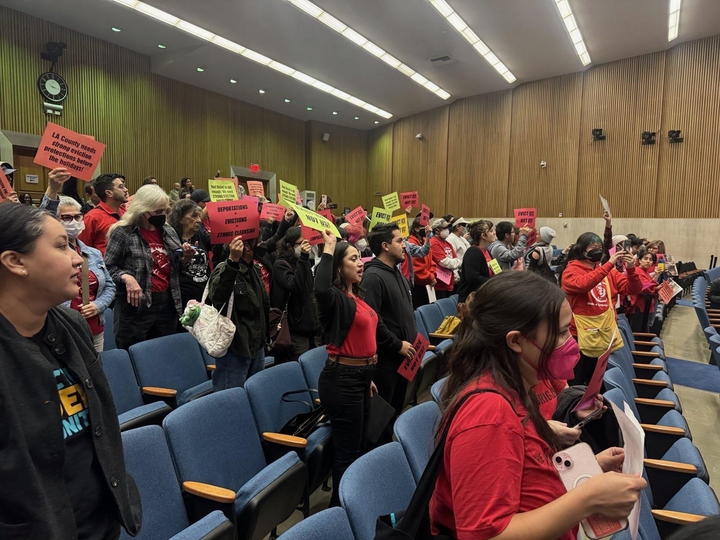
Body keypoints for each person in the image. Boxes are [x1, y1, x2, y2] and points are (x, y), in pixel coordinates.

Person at [430, 272, 646, 539]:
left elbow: (524, 476)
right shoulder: (489, 414)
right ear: (516, 341)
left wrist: (588, 470)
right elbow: (485, 534)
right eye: (562, 332)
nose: (571, 343)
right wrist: (588, 499)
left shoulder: (520, 389)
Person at [0, 202, 141, 538]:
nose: (78, 259)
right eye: (62, 246)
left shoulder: (72, 323)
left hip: (99, 519)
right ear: (15, 262)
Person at [314, 229, 378, 506]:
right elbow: (319, 287)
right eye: (353, 259)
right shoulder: (335, 299)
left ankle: (350, 503)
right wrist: (329, 248)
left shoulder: (357, 298)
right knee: (347, 452)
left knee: (359, 444)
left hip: (361, 378)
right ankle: (340, 512)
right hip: (342, 380)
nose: (361, 262)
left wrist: (368, 374)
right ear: (339, 266)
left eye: (360, 257)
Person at [105, 185, 194, 350]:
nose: (162, 215)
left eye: (164, 211)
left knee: (162, 352)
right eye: (157, 211)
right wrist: (126, 277)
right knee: (131, 351)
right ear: (143, 210)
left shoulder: (168, 231)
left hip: (167, 302)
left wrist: (185, 258)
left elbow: (176, 267)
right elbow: (108, 267)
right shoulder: (123, 232)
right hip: (136, 306)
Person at [560, 233, 642, 385]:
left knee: (595, 381)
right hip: (578, 335)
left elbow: (634, 289)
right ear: (582, 250)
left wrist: (631, 269)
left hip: (603, 333)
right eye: (593, 247)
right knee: (576, 381)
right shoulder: (571, 271)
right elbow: (583, 284)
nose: (597, 250)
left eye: (599, 248)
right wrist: (609, 264)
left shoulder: (608, 271)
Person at [362, 223, 417, 418]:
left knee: (396, 411)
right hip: (387, 359)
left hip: (404, 357)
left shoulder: (397, 272)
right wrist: (396, 345)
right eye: (400, 240)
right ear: (385, 246)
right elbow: (372, 320)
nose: (405, 245)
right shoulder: (373, 277)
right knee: (382, 418)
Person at [207, 234, 269, 390]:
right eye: (259, 242)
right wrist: (232, 262)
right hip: (236, 348)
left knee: (254, 395)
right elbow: (217, 297)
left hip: (257, 346)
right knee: (230, 401)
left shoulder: (253, 269)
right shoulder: (225, 268)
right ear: (247, 247)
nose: (262, 245)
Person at [57, 196, 116, 352]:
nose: (74, 221)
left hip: (95, 326)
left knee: (97, 370)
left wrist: (98, 305)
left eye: (77, 217)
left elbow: (110, 286)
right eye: (67, 218)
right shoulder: (50, 255)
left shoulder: (94, 253)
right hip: (64, 327)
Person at [270, 226, 317, 363]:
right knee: (298, 367)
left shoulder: (303, 262)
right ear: (289, 245)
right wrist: (303, 257)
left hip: (309, 328)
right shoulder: (281, 264)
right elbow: (295, 286)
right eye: (301, 243)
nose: (305, 247)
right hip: (294, 330)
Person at [168, 200, 211, 308]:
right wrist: (184, 259)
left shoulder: (201, 235)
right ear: (181, 219)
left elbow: (219, 250)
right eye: (194, 216)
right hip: (181, 299)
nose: (199, 221)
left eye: (199, 216)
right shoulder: (170, 239)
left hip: (204, 296)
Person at [78, 174, 129, 254]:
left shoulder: (124, 212)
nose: (126, 190)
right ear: (109, 193)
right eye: (121, 187)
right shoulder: (92, 217)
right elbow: (83, 248)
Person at [457, 220, 495, 303]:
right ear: (483, 236)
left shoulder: (487, 251)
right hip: (471, 299)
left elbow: (496, 270)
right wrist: (492, 282)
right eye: (491, 231)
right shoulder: (473, 252)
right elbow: (472, 277)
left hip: (484, 295)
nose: (494, 233)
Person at [401, 217, 436, 308]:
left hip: (427, 283)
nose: (428, 229)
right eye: (425, 227)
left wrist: (432, 275)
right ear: (416, 228)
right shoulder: (410, 243)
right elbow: (416, 268)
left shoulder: (425, 241)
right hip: (418, 284)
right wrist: (430, 277)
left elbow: (431, 260)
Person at [628, 252, 660, 332]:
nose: (648, 261)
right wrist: (656, 286)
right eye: (645, 259)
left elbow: (650, 287)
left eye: (651, 259)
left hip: (646, 307)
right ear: (639, 260)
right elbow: (644, 288)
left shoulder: (646, 272)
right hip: (638, 307)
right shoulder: (637, 271)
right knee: (637, 332)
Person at [430, 218, 461, 299]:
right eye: (444, 228)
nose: (447, 230)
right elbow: (443, 262)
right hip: (439, 284)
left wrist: (455, 262)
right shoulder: (434, 242)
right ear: (436, 230)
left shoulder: (447, 243)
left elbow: (456, 259)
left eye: (447, 228)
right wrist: (455, 262)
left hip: (449, 282)